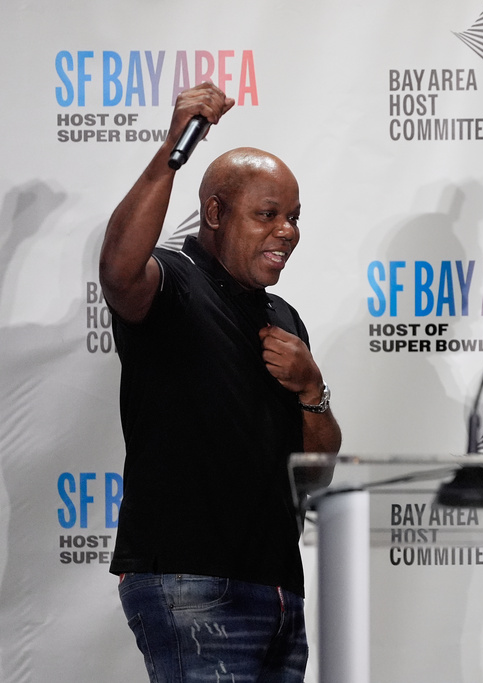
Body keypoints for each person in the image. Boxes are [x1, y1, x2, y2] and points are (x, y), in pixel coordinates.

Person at [100, 82, 342, 682]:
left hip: (281, 591)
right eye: (268, 214)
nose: (287, 231)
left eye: (293, 217)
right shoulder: (173, 283)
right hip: (192, 583)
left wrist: (313, 390)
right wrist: (173, 150)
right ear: (214, 212)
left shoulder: (284, 319)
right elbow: (119, 270)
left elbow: (315, 472)